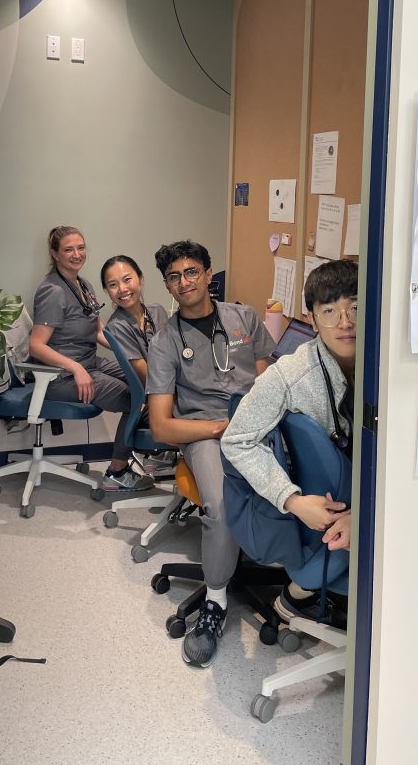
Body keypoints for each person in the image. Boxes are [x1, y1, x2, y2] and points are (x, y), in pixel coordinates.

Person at [147, 239, 275, 667]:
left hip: (254, 422)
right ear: (168, 284)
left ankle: (300, 586)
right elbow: (162, 425)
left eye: (191, 272)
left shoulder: (244, 317)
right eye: (174, 277)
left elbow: (265, 369)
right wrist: (220, 428)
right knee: (219, 504)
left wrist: (255, 413)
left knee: (304, 479)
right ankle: (216, 601)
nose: (184, 282)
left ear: (207, 274)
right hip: (204, 431)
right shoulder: (165, 342)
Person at [221, 259, 357, 623]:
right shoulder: (291, 375)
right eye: (330, 311)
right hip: (324, 517)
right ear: (311, 318)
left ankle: (301, 594)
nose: (345, 322)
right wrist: (292, 501)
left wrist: (363, 516)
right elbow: (236, 441)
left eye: (355, 308)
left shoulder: (390, 365)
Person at [28, 226, 153, 492]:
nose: (77, 254)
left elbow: (98, 331)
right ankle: (117, 470)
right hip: (60, 376)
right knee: (137, 398)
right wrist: (75, 368)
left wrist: (133, 350)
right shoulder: (53, 291)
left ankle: (153, 449)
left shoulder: (82, 284)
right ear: (55, 253)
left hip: (90, 362)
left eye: (81, 247)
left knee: (148, 378)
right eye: (68, 249)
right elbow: (36, 345)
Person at [100, 255, 169, 388]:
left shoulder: (158, 311)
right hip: (157, 391)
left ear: (141, 279)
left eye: (127, 280)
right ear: (106, 290)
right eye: (113, 285)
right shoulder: (116, 327)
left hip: (174, 381)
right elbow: (146, 374)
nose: (122, 289)